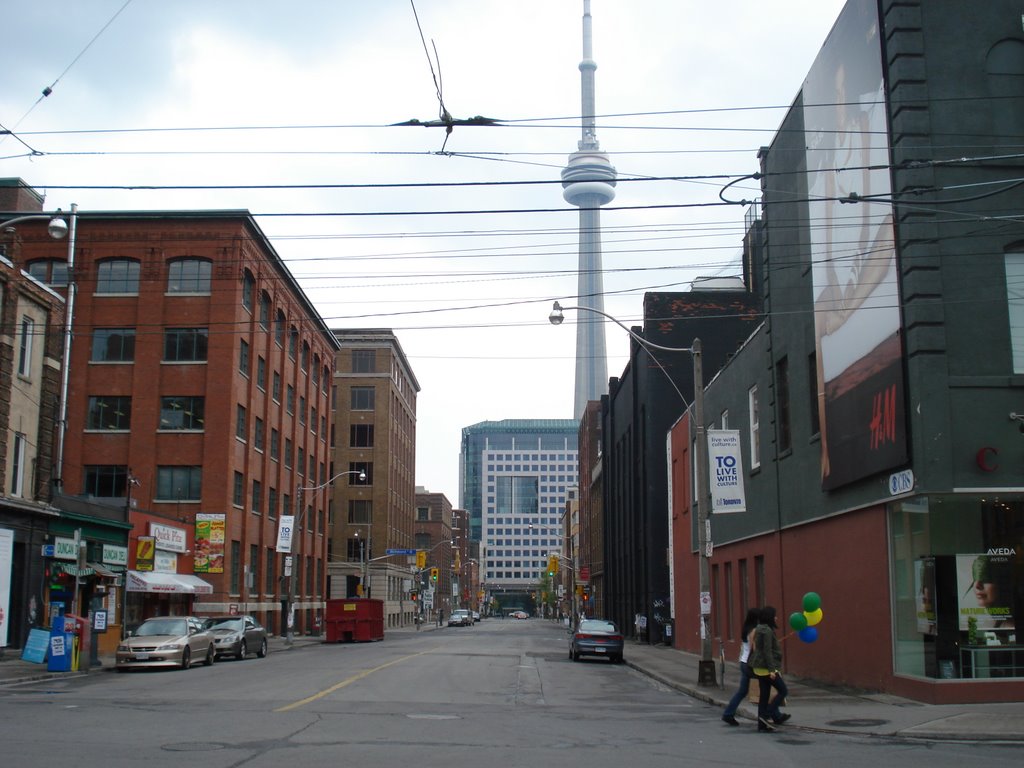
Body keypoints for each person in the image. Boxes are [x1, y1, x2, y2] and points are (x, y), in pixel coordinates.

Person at [748, 606, 791, 732]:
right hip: (767, 668)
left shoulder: (759, 629)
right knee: (783, 691)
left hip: (759, 668)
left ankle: (762, 725)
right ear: (769, 617)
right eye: (774, 615)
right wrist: (772, 670)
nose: (776, 617)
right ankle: (768, 713)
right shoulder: (767, 631)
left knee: (764, 696)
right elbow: (767, 652)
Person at [722, 608, 760, 726]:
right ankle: (774, 714)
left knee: (742, 691)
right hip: (751, 664)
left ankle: (728, 713)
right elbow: (755, 649)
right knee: (767, 687)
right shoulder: (754, 630)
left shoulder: (746, 629)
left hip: (744, 662)